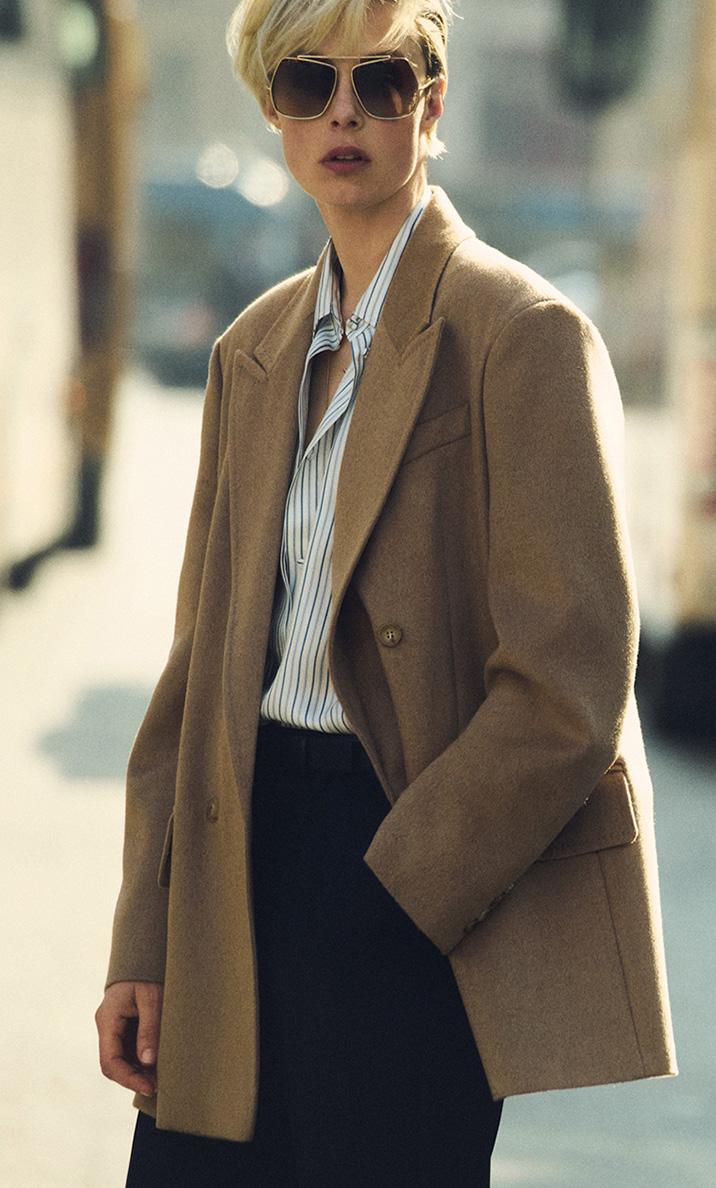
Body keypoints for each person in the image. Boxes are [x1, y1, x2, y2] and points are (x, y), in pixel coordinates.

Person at [95, 1, 677, 1184]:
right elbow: (196, 674)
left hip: (414, 869)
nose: (344, 113)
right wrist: (143, 938)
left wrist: (404, 886)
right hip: (235, 866)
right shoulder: (250, 351)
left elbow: (569, 679)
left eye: (383, 82)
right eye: (309, 84)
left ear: (434, 103)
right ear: (273, 108)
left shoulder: (520, 336)